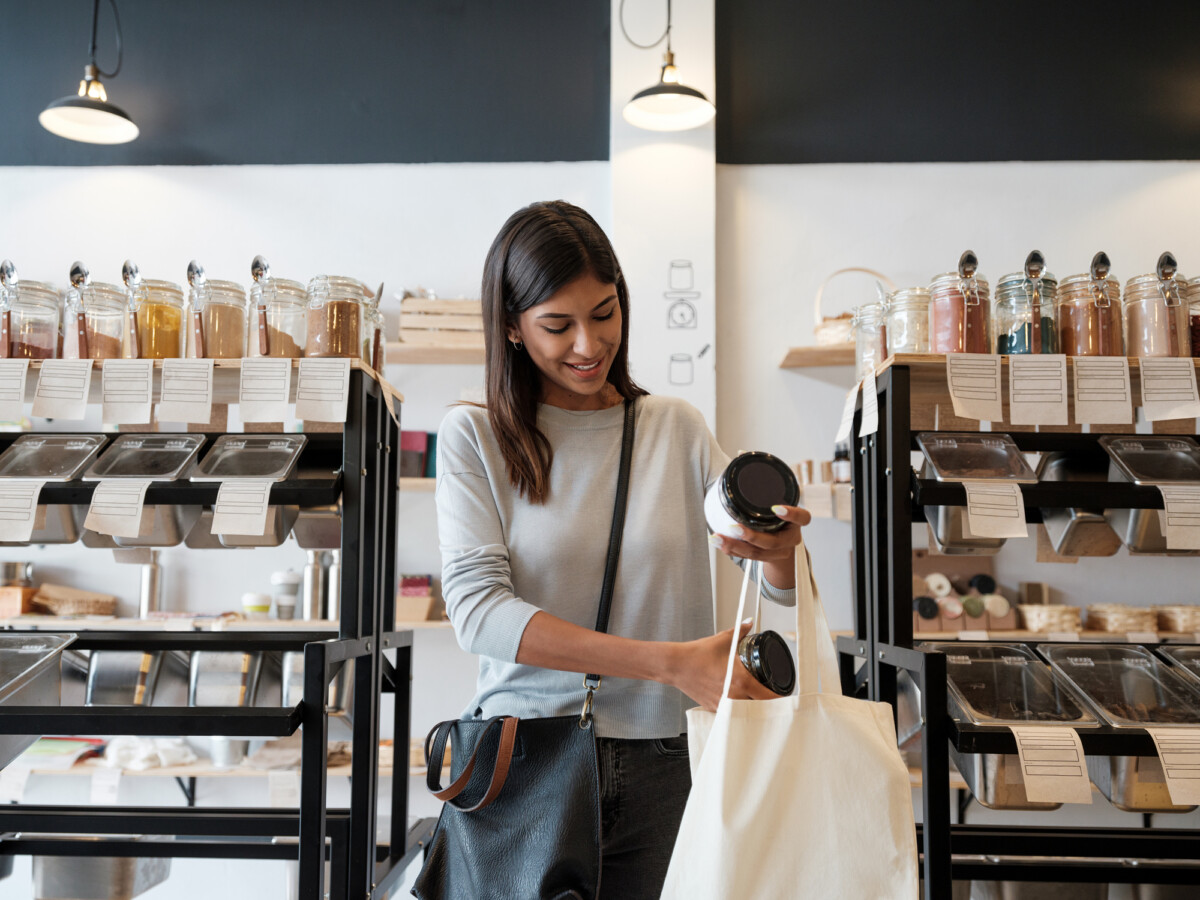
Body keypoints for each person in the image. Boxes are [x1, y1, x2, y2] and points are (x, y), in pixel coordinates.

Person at [435, 200, 809, 898]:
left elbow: (766, 578)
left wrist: (781, 553)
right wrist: (670, 664)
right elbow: (479, 615)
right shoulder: (474, 435)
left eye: (604, 313)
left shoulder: (675, 429)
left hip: (667, 762)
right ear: (512, 329)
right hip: (526, 758)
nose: (587, 344)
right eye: (557, 325)